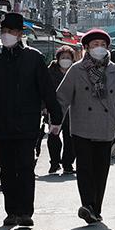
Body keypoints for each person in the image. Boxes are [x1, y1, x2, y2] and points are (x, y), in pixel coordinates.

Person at [0, 12, 62, 228]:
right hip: (1, 123)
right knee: (7, 169)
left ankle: (26, 212)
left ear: (20, 33)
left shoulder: (34, 58)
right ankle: (11, 212)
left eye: (11, 31)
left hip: (28, 123)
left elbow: (47, 90)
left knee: (26, 166)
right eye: (4, 31)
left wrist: (55, 117)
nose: (7, 35)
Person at [55, 29, 115, 225]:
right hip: (81, 127)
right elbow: (62, 97)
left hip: (106, 127)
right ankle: (87, 205)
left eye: (103, 45)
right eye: (95, 45)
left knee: (101, 170)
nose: (99, 48)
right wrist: (56, 122)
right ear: (86, 47)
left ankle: (96, 209)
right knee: (85, 168)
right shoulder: (76, 70)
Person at [46, 46, 77, 174]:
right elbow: (45, 90)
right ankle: (54, 163)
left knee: (71, 139)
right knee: (53, 136)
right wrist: (44, 107)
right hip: (55, 109)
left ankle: (68, 164)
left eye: (68, 58)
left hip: (73, 110)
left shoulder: (76, 71)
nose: (65, 60)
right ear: (58, 59)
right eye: (63, 57)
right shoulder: (50, 72)